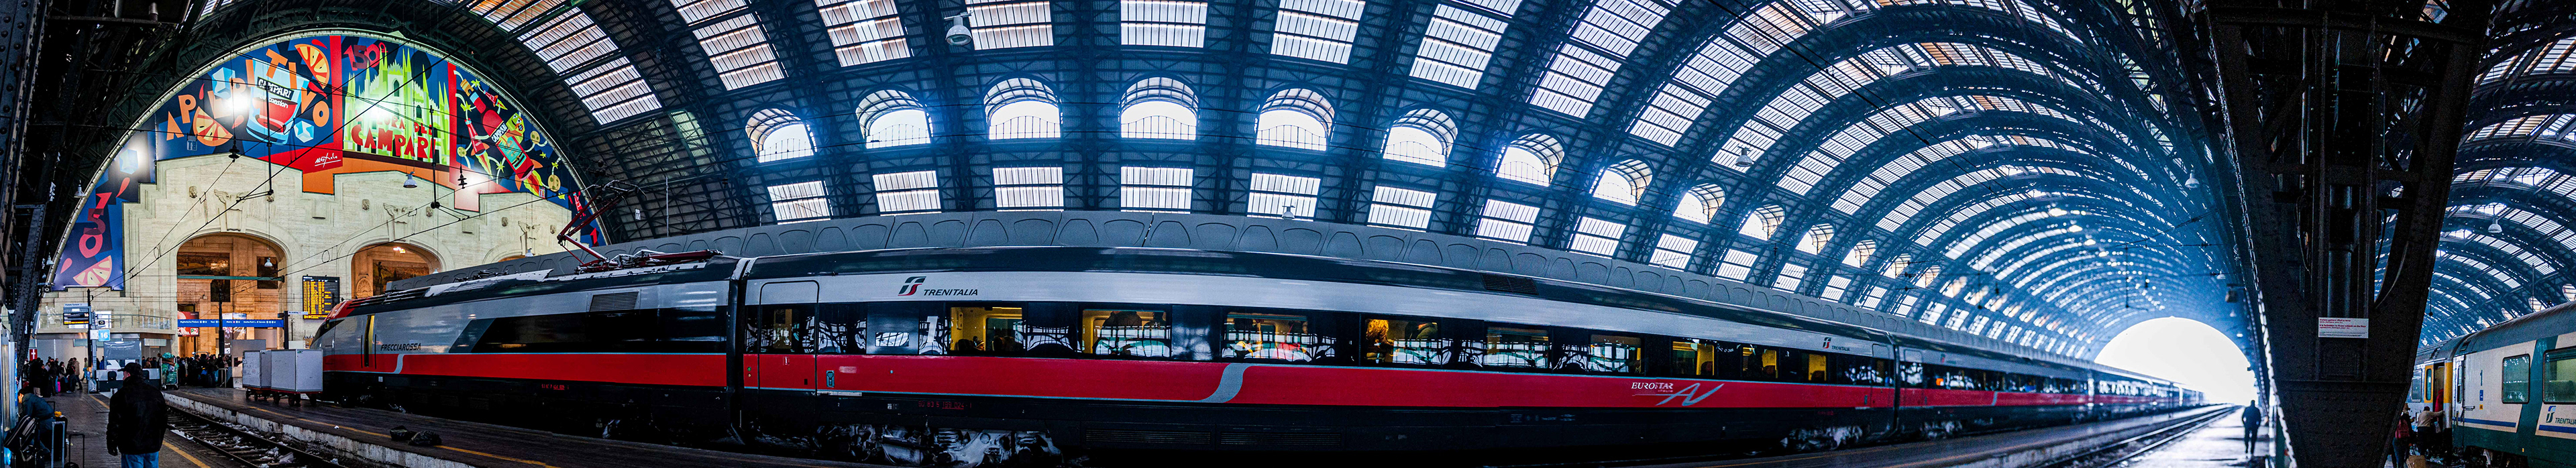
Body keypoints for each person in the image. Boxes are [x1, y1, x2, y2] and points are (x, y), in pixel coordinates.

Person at [105, 363, 165, 468]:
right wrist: (158, 440)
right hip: (153, 447)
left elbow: (115, 423)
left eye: (124, 375)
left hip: (132, 448)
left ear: (128, 375)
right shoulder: (156, 393)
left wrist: (112, 443)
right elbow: (163, 420)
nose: (123, 378)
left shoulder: (121, 396)